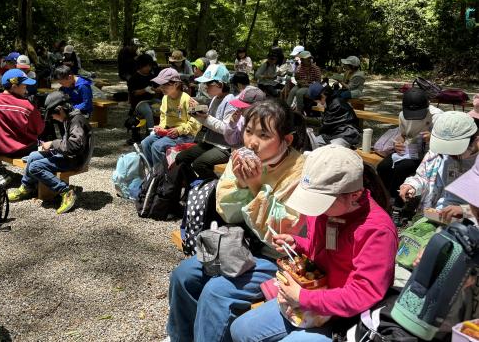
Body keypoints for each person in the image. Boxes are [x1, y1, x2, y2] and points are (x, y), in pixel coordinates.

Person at [165, 100, 307, 342]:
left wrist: (254, 185)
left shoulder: (299, 171)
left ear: (287, 140)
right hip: (239, 244)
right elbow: (227, 212)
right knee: (184, 275)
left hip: (279, 258)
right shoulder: (239, 158)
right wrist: (242, 183)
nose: (252, 141)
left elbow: (282, 232)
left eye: (264, 135)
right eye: (248, 131)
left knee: (216, 292)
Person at [230, 145, 398, 342]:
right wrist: (298, 244)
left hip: (346, 317)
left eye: (321, 202)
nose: (314, 210)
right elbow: (323, 250)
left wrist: (302, 298)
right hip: (313, 295)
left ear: (355, 195)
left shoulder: (377, 230)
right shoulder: (327, 211)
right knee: (241, 329)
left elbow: (364, 293)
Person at [8, 92, 92, 213]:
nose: (52, 117)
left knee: (35, 167)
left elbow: (75, 146)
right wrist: (53, 147)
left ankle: (66, 191)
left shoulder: (76, 121)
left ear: (60, 109)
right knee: (32, 156)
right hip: (69, 155)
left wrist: (53, 144)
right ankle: (26, 187)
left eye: (52, 114)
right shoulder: (70, 117)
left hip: (75, 160)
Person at [399, 111, 479, 219]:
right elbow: (423, 177)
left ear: (475, 141)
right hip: (439, 213)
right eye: (444, 150)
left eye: (455, 150)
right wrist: (412, 185)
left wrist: (465, 210)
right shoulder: (438, 153)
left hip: (472, 221)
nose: (448, 154)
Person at [377, 87, 442, 202]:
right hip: (409, 150)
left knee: (402, 168)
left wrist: (433, 137)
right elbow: (403, 135)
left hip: (429, 152)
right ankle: (383, 197)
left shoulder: (437, 116)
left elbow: (446, 140)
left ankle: (397, 201)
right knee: (383, 167)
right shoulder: (403, 115)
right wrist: (399, 143)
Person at [175, 65, 235, 180]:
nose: (205, 87)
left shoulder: (231, 102)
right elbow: (208, 121)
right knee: (181, 158)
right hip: (210, 142)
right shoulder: (215, 98)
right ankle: (193, 187)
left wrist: (205, 117)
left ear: (220, 84)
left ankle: (214, 190)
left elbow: (226, 129)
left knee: (200, 164)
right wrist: (195, 113)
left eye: (208, 84)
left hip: (224, 147)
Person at [139, 68, 201, 169]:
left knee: (157, 147)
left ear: (176, 84)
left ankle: (162, 175)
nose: (161, 88)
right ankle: (154, 171)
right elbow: (163, 116)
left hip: (185, 135)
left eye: (165, 85)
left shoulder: (187, 99)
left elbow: (196, 123)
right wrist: (160, 127)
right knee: (145, 143)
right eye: (161, 85)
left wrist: (179, 130)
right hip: (168, 132)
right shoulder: (165, 98)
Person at [307, 81, 361, 148]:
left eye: (317, 101)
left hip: (347, 134)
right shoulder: (332, 100)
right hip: (337, 132)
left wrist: (304, 119)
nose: (319, 103)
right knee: (312, 143)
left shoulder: (336, 104)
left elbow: (325, 124)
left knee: (330, 149)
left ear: (323, 96)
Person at [128, 54, 160, 130]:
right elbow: (133, 93)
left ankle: (162, 130)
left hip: (151, 100)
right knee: (148, 112)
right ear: (140, 65)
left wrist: (157, 90)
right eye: (146, 66)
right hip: (139, 102)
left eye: (150, 66)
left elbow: (157, 88)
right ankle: (151, 133)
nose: (148, 68)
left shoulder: (151, 76)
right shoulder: (134, 77)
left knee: (163, 105)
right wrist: (145, 90)